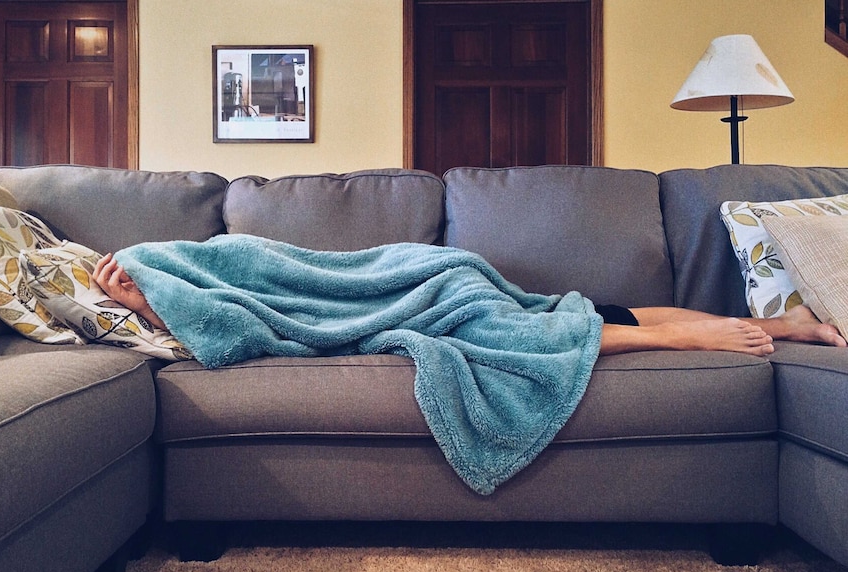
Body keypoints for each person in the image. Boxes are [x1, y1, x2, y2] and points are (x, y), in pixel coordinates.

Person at [92, 253, 847, 358]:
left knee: (539, 328)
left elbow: (244, 311)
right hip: (444, 279)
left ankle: (697, 339)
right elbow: (242, 319)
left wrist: (150, 298)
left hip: (439, 281)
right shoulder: (182, 277)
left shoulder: (192, 262)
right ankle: (786, 323)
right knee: (579, 309)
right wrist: (151, 303)